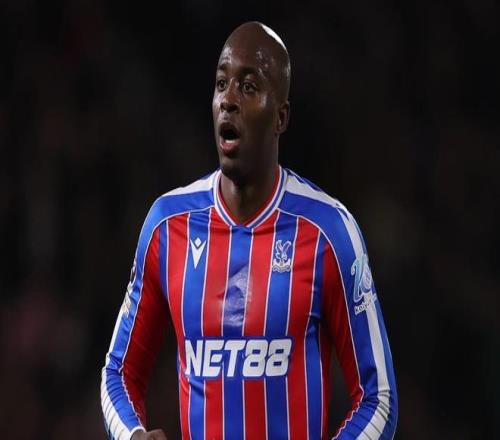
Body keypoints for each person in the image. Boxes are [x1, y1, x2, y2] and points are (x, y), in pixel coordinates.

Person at [101, 21, 398, 440]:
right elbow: (118, 371)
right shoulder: (168, 226)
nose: (228, 100)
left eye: (248, 86)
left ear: (281, 117)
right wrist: (132, 435)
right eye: (221, 84)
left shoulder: (328, 231)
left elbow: (378, 397)